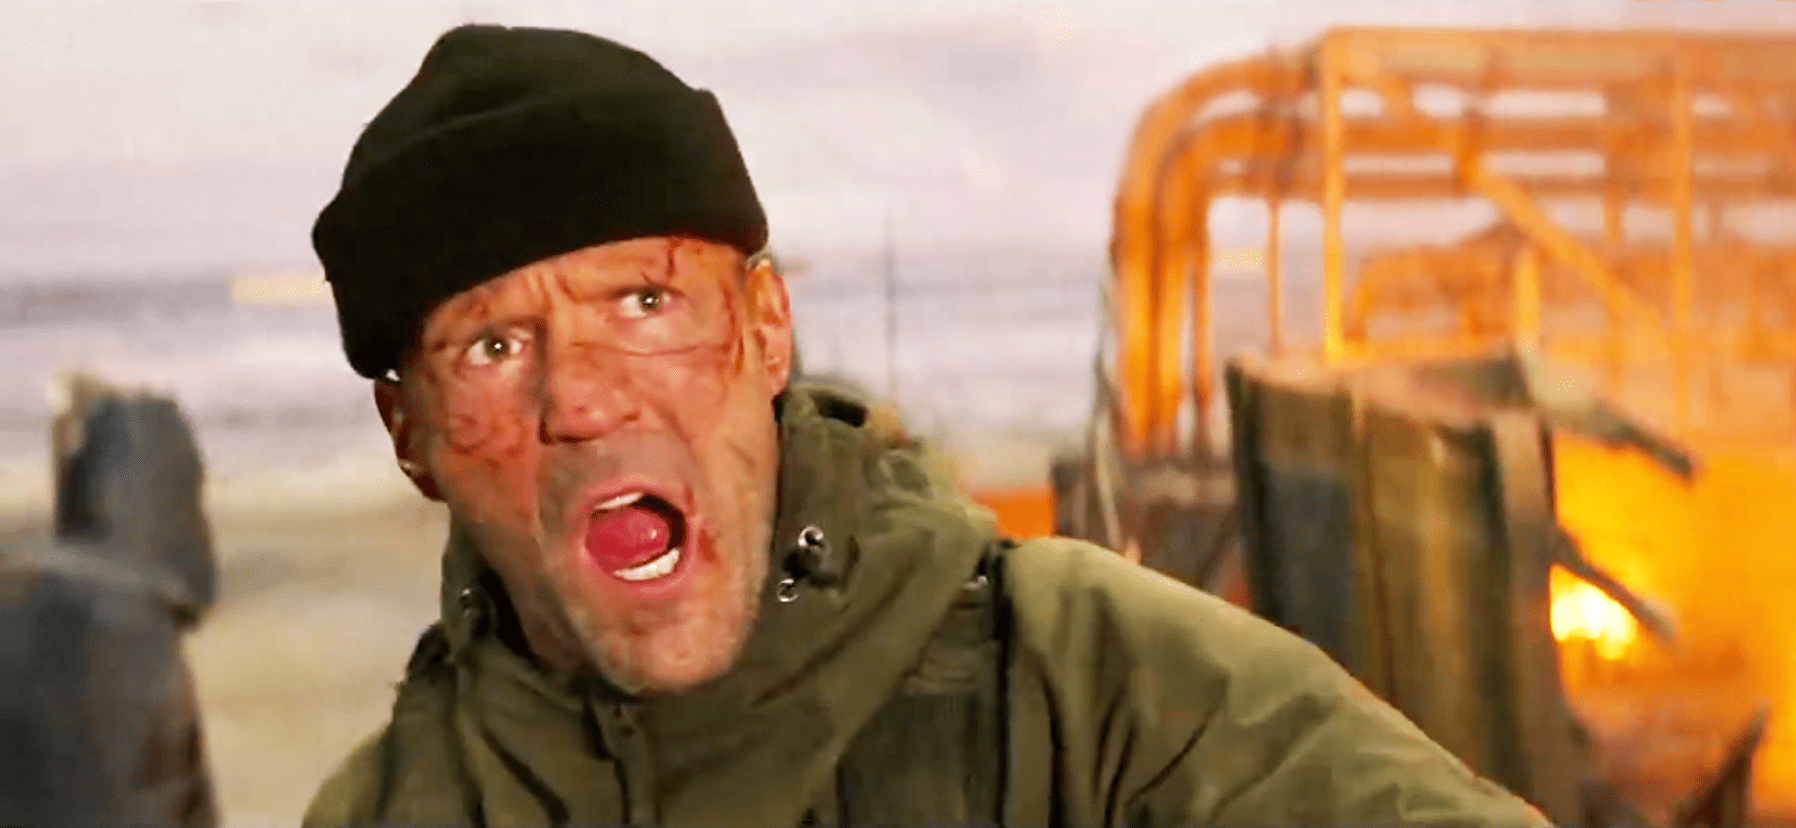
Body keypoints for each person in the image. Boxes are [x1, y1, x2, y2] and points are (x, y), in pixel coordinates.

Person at [301, 23, 1550, 827]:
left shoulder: (1086, 683)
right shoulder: (392, 808)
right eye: (493, 347)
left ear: (766, 329)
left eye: (643, 302)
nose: (581, 399)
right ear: (409, 433)